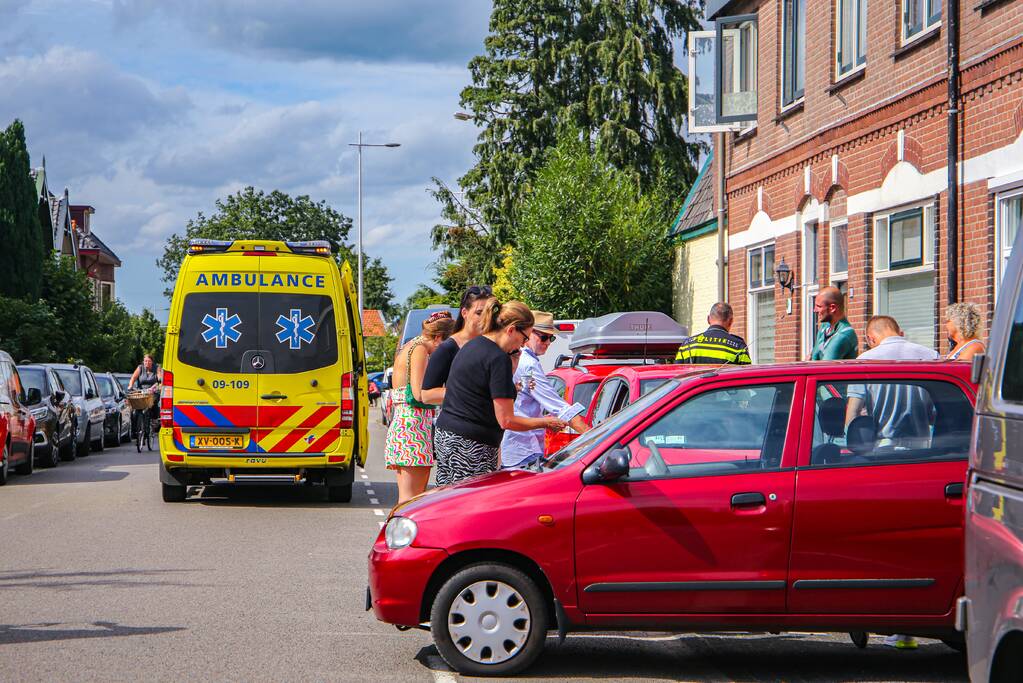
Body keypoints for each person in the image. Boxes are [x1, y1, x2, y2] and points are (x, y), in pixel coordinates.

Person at [844, 315, 936, 652]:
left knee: (878, 543)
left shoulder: (864, 363)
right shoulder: (929, 355)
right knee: (913, 542)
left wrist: (851, 444)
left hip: (880, 460)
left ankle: (872, 616)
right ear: (900, 331)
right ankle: (907, 628)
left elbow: (853, 415)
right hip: (926, 459)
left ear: (870, 338)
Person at [434, 299, 565, 486]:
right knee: (470, 505)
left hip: (448, 436)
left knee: (448, 499)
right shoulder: (497, 358)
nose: (522, 345)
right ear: (511, 329)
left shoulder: (473, 345)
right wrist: (545, 422)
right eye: (524, 337)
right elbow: (507, 420)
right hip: (472, 444)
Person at [500, 312, 589, 469]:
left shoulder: (523, 360)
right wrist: (594, 438)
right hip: (525, 450)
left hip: (518, 448)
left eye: (551, 338)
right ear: (529, 334)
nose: (548, 342)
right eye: (544, 337)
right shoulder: (529, 364)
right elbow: (560, 408)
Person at [383, 310, 455, 504]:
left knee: (409, 499)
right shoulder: (420, 349)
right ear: (438, 337)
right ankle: (395, 534)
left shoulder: (411, 345)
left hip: (408, 425)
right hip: (412, 427)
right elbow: (418, 393)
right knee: (410, 500)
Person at [421, 285, 492, 405]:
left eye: (488, 313)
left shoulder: (492, 345)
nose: (485, 318)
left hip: (489, 420)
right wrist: (470, 392)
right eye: (479, 313)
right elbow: (427, 395)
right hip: (460, 420)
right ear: (464, 313)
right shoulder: (448, 348)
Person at [675, 302, 751, 365]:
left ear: (708, 319)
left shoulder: (687, 345)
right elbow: (747, 378)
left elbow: (677, 375)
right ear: (731, 321)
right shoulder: (738, 346)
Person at [810, 286, 858, 360]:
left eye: (819, 306)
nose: (815, 310)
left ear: (832, 308)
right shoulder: (824, 327)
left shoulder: (844, 335)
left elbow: (824, 367)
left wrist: (811, 359)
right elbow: (814, 356)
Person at [127, 354, 162, 433]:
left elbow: (160, 377)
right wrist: (130, 386)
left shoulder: (156, 367)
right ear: (143, 362)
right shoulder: (140, 368)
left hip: (153, 390)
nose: (147, 363)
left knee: (154, 402)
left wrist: (159, 382)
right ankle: (137, 428)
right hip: (141, 391)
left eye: (149, 361)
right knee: (136, 408)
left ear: (152, 362)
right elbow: (133, 378)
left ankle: (154, 419)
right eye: (145, 361)